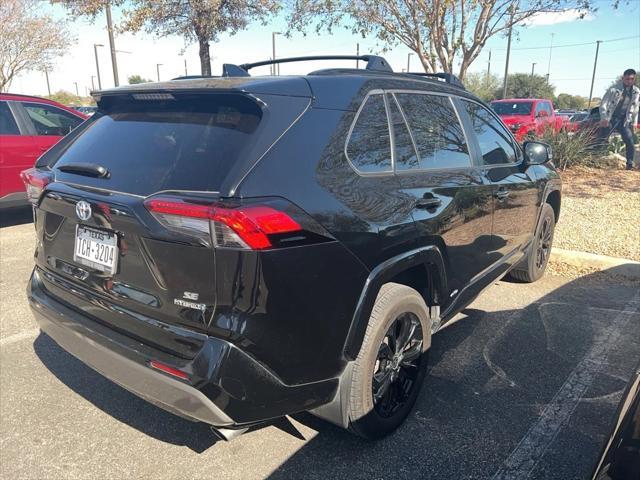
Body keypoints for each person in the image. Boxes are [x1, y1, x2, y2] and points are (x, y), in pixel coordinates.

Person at [599, 68, 639, 170]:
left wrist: (634, 122)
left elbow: (635, 108)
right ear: (623, 78)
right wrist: (604, 118)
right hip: (610, 118)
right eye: (627, 79)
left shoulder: (636, 91)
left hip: (624, 120)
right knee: (602, 138)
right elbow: (603, 104)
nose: (629, 81)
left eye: (631, 79)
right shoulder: (613, 89)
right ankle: (595, 159)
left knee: (629, 140)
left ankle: (629, 163)